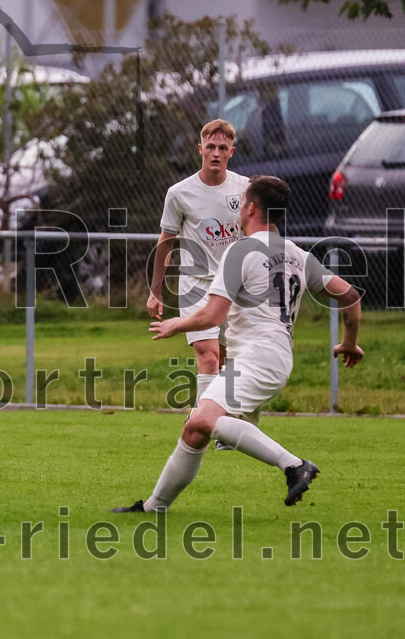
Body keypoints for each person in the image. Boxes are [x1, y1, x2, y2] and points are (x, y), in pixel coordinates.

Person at [113, 176, 364, 513]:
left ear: (249, 207)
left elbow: (212, 316)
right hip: (273, 357)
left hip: (258, 358)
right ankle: (154, 507)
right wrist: (349, 343)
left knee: (202, 420)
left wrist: (177, 323)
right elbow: (349, 296)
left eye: (242, 200)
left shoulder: (241, 250)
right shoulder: (297, 255)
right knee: (196, 427)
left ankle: (293, 465)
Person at [147, 119, 252, 447]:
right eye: (211, 147)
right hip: (196, 284)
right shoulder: (179, 193)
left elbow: (256, 234)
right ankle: (209, 427)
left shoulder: (246, 188)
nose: (216, 153)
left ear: (231, 152)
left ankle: (220, 419)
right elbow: (165, 241)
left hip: (235, 285)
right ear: (200, 150)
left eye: (223, 148)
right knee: (208, 356)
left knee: (227, 357)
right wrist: (155, 290)